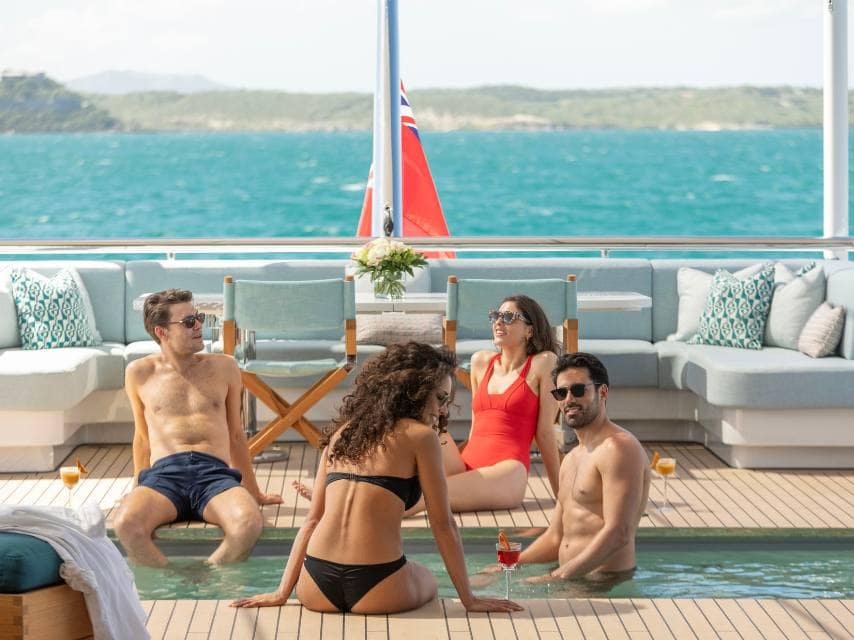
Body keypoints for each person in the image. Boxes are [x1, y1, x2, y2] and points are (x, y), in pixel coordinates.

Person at [230, 342, 522, 615]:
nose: (443, 409)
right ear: (416, 391)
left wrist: (282, 592)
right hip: (379, 584)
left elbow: (311, 521)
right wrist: (469, 599)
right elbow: (443, 524)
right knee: (429, 579)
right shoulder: (420, 437)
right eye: (441, 398)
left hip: (315, 585)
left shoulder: (343, 432)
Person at [114, 289, 282, 567]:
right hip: (164, 475)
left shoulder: (225, 367)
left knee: (248, 524)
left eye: (199, 317)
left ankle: (205, 579)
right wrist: (136, 487)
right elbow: (142, 438)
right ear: (162, 331)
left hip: (214, 475)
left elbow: (237, 436)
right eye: (189, 321)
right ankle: (172, 580)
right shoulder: (139, 373)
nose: (199, 326)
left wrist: (255, 492)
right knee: (125, 525)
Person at [489, 352, 650, 589]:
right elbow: (555, 537)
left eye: (578, 390)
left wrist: (556, 578)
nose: (568, 399)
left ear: (602, 392)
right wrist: (511, 564)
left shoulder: (618, 448)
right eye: (561, 393)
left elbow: (620, 532)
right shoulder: (572, 457)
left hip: (604, 584)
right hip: (571, 577)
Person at [404, 294, 561, 515]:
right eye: (496, 316)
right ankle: (372, 484)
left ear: (530, 330)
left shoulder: (543, 363)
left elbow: (545, 434)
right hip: (465, 465)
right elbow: (476, 427)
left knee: (428, 495)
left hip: (507, 471)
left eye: (508, 317)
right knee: (427, 431)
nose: (498, 322)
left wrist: (561, 495)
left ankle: (381, 513)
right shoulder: (481, 361)